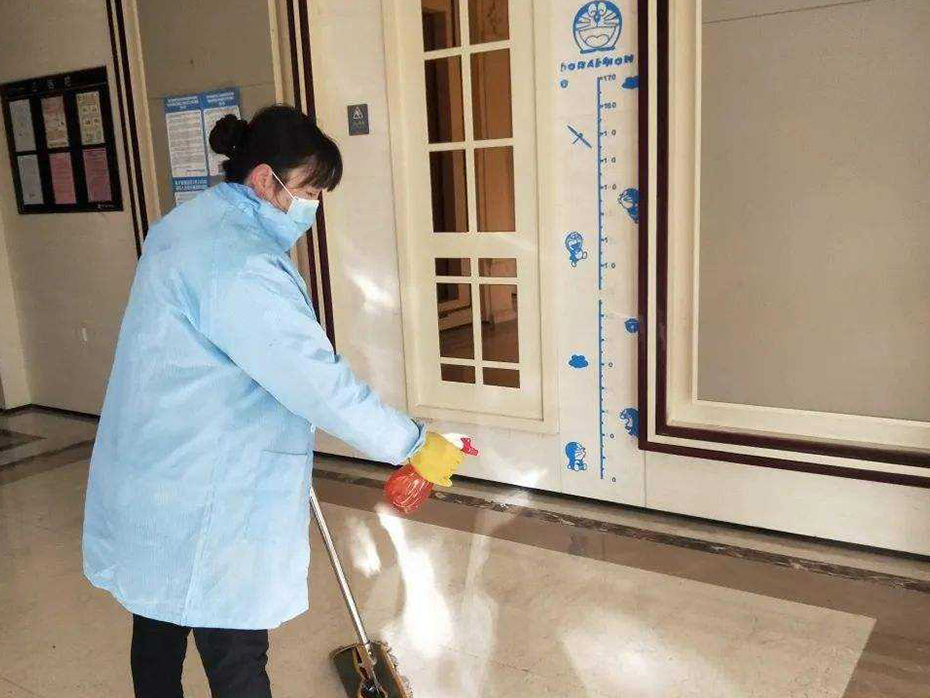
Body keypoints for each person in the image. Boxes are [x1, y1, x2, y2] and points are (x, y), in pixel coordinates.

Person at [82, 105, 463, 698]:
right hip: (209, 483)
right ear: (266, 179)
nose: (314, 206)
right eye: (309, 191)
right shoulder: (241, 264)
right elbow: (316, 383)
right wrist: (414, 444)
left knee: (157, 618)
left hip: (161, 464)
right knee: (234, 648)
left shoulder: (189, 224)